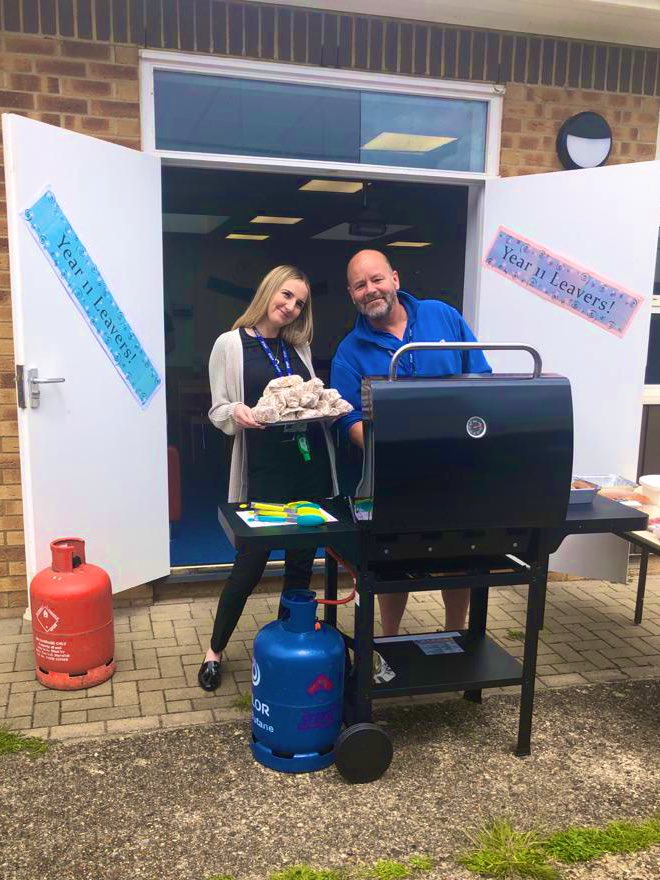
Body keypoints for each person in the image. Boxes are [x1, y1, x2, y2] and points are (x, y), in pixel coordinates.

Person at [330, 249, 490, 638]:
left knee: (458, 560)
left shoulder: (442, 315)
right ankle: (388, 643)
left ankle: (455, 637)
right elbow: (346, 417)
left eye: (377, 279)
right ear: (351, 294)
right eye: (360, 285)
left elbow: (482, 377)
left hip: (456, 473)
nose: (371, 289)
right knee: (391, 566)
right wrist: (389, 450)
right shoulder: (349, 351)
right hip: (393, 479)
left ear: (395, 279)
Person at [198, 265, 338, 691]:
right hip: (263, 469)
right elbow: (218, 410)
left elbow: (310, 400)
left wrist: (328, 408)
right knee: (250, 563)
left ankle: (285, 649)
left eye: (300, 302)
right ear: (268, 290)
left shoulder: (299, 346)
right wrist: (236, 412)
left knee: (301, 562)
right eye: (286, 295)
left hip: (308, 467)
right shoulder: (230, 344)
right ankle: (214, 651)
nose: (291, 307)